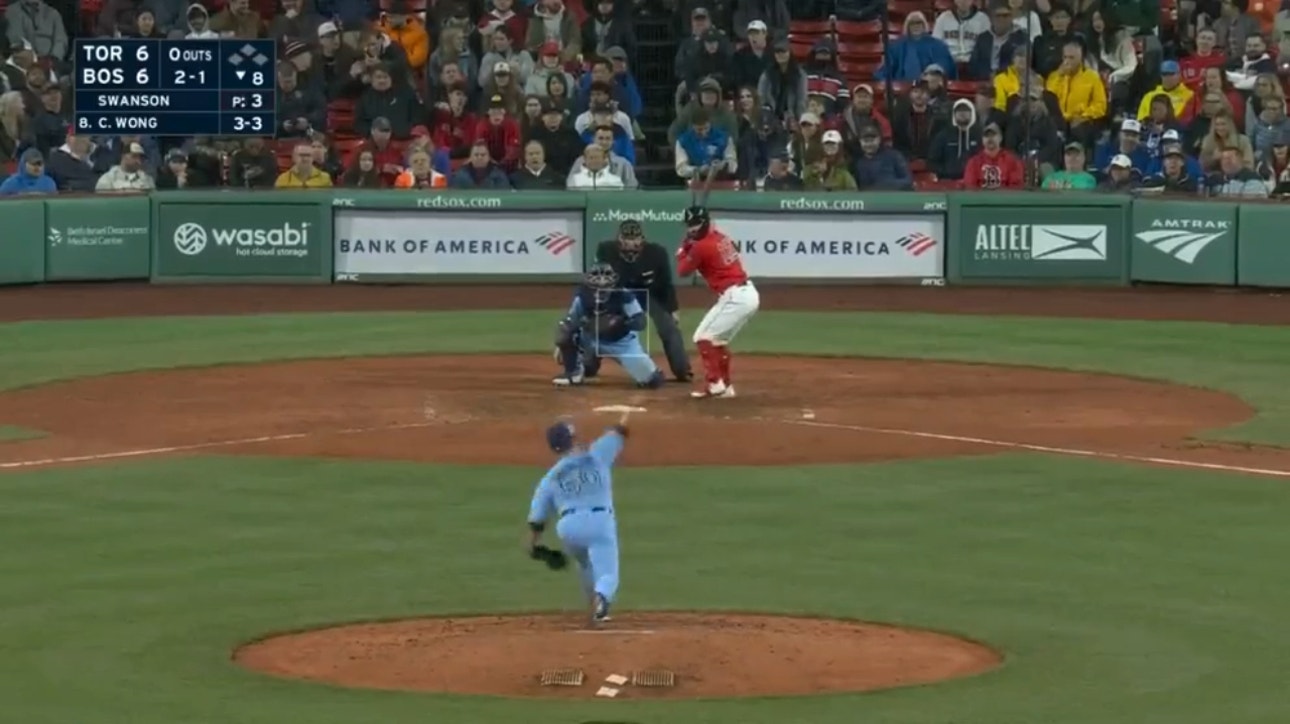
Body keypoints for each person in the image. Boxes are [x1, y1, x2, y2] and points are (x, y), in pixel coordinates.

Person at [526, 408, 633, 626]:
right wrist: (624, 416)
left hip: (568, 528)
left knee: (585, 565)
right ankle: (602, 599)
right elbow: (619, 432)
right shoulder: (597, 455)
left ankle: (593, 610)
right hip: (599, 522)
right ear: (573, 438)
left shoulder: (551, 476)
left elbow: (537, 517)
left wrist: (534, 544)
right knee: (608, 574)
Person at [676, 206, 759, 399]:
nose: (690, 229)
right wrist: (691, 245)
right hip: (745, 293)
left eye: (694, 225)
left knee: (703, 337)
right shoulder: (720, 237)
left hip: (735, 296)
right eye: (688, 225)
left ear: (704, 223)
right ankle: (726, 387)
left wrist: (682, 251)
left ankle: (715, 384)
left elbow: (683, 271)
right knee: (718, 340)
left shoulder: (702, 247)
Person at [594, 219, 692, 382]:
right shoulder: (606, 251)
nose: (631, 243)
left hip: (649, 295)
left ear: (642, 239)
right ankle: (589, 365)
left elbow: (666, 284)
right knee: (602, 325)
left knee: (669, 328)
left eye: (635, 239)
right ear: (619, 239)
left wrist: (673, 309)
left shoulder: (657, 253)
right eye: (627, 238)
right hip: (620, 295)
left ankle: (682, 369)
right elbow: (600, 280)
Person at [552, 263, 665, 389]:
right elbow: (571, 321)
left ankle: (648, 369)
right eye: (596, 287)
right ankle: (574, 373)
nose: (601, 291)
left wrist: (619, 323)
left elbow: (640, 322)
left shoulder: (624, 295)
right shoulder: (582, 296)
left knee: (652, 381)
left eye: (606, 287)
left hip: (622, 343)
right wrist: (563, 345)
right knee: (565, 331)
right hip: (591, 339)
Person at [964, 120, 1025, 188]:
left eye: (993, 135)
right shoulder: (973, 162)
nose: (990, 139)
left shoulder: (1012, 161)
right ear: (982, 139)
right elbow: (970, 188)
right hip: (980, 198)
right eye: (986, 136)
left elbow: (1016, 188)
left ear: (1000, 138)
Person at [1203, 144, 1270, 196]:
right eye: (1223, 158)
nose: (1227, 161)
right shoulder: (1215, 180)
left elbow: (1249, 205)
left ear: (1240, 159)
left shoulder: (1253, 179)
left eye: (1230, 158)